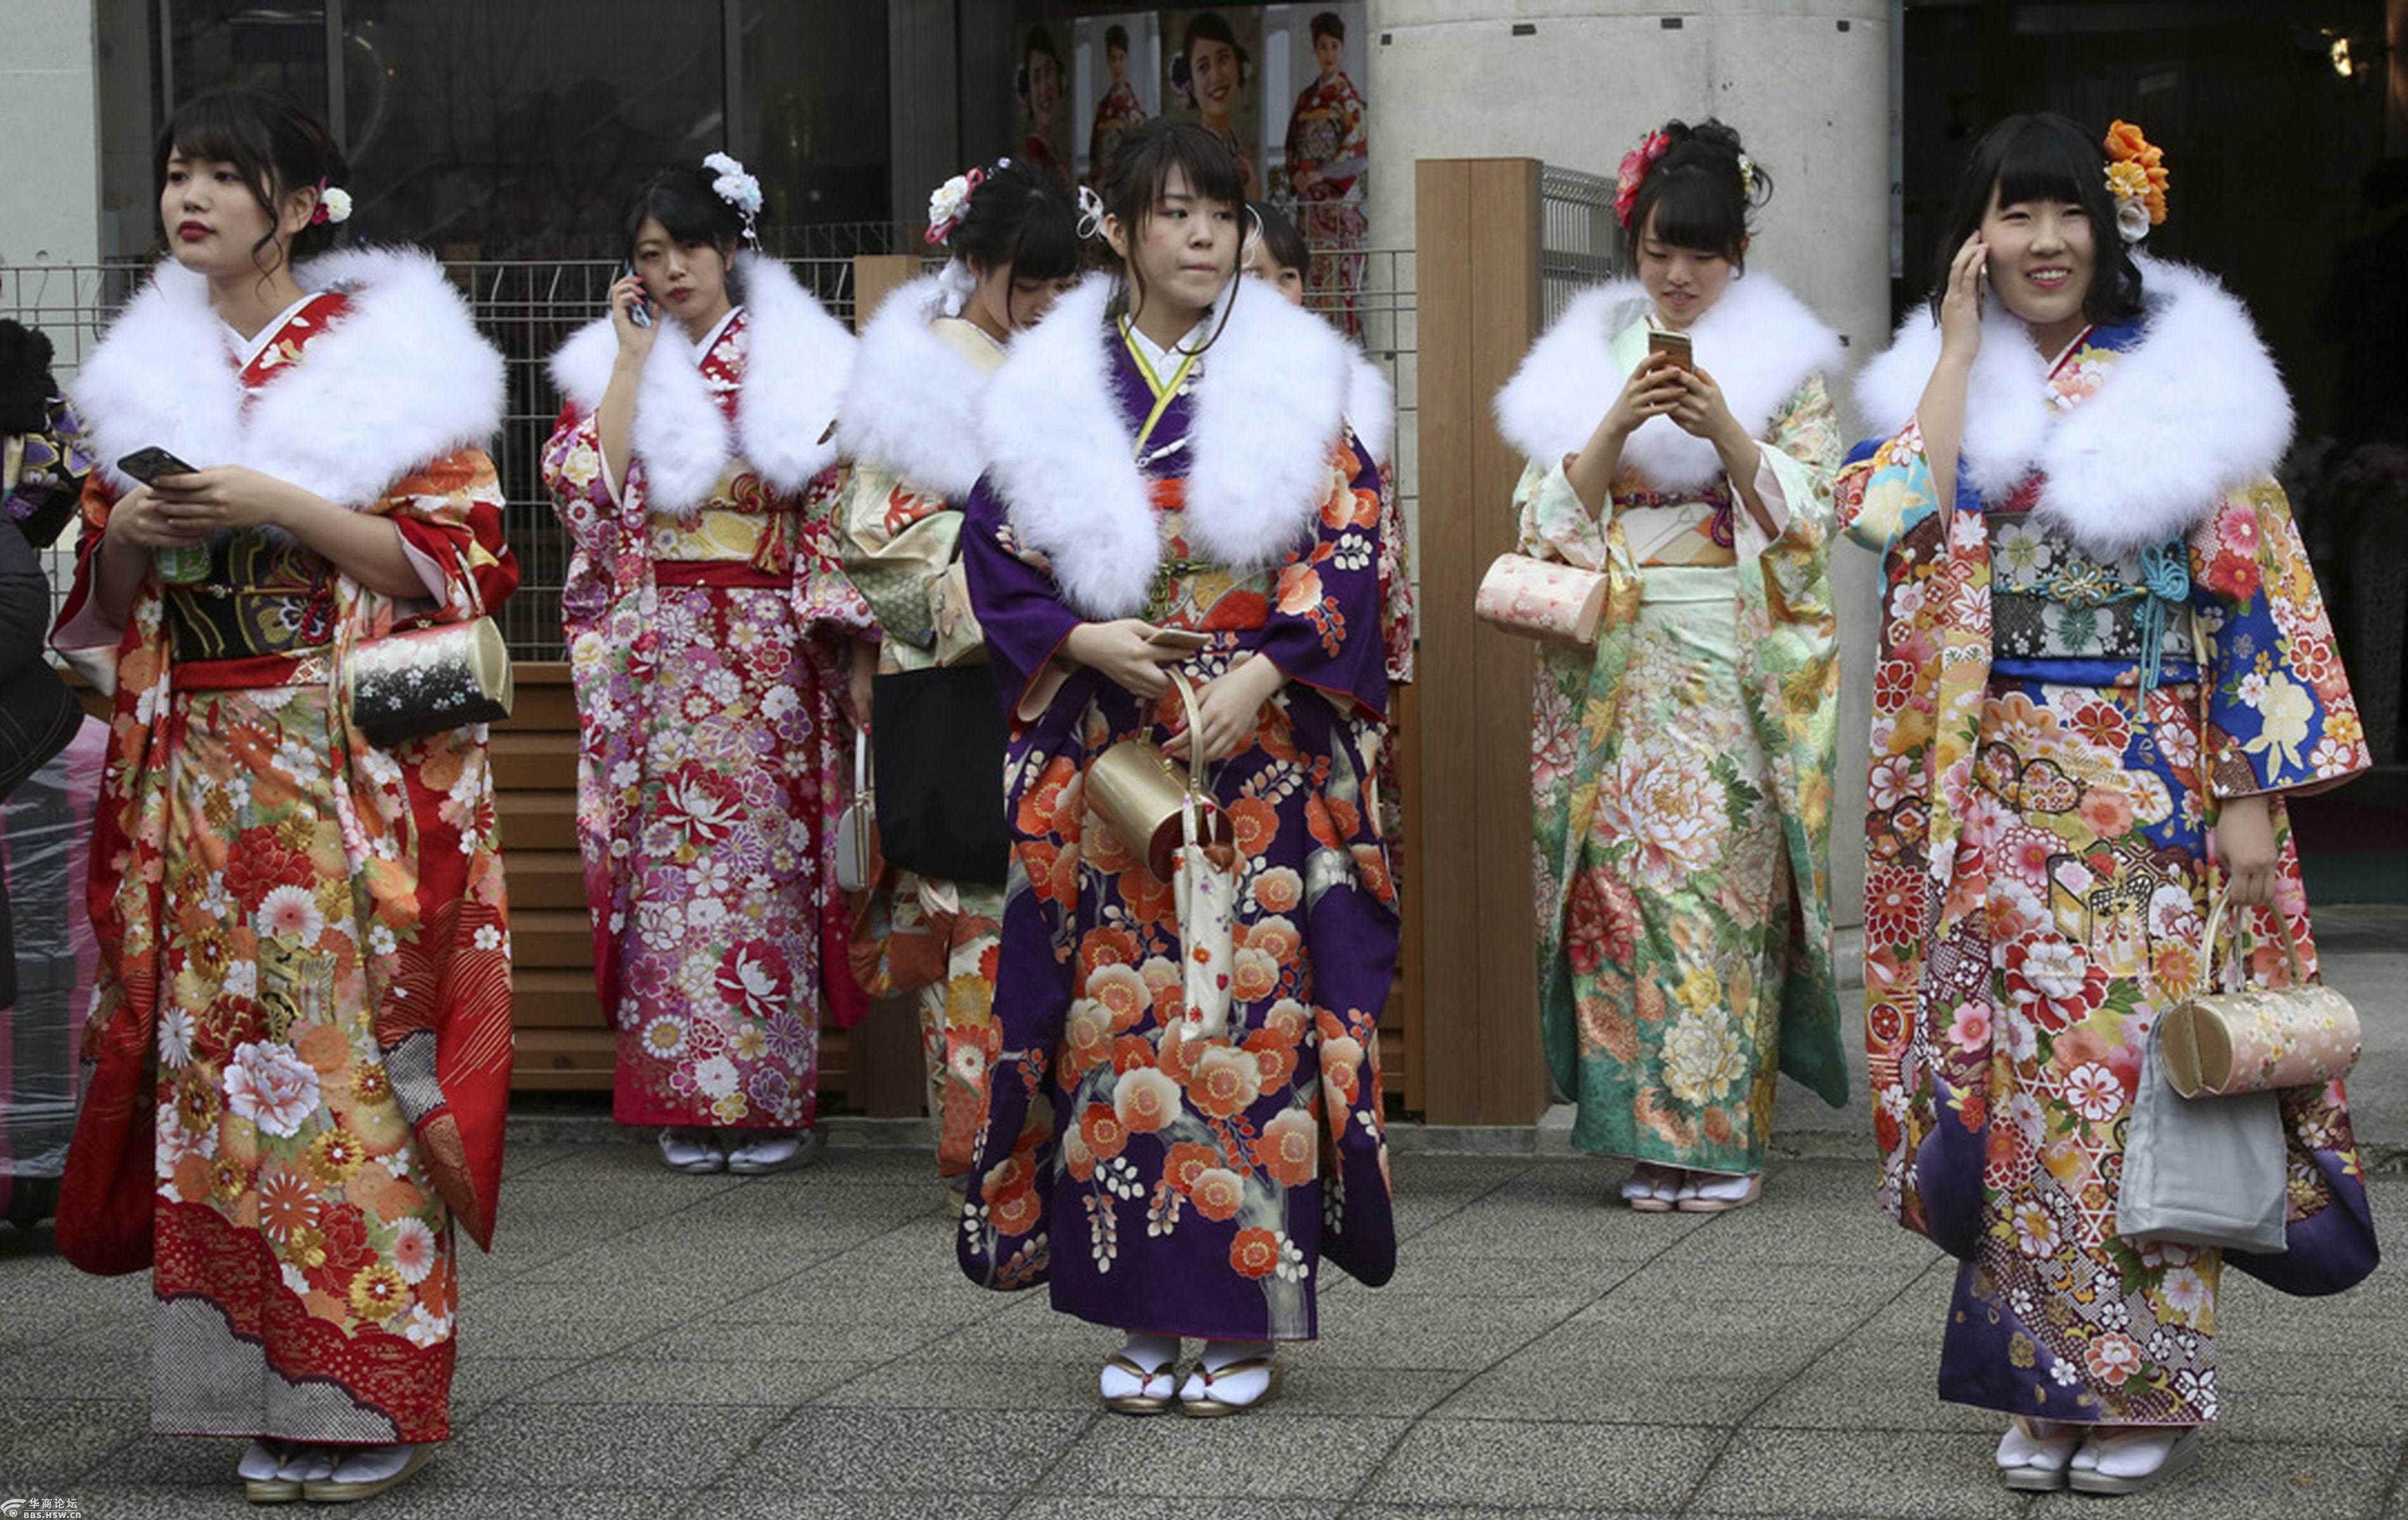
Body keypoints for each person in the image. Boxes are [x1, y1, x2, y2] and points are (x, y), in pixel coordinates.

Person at [1839, 112, 2378, 1496]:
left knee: (2130, 1080)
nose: (2044, 242)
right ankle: (2040, 1371)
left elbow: (2248, 584)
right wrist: (1954, 353)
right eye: (2014, 215)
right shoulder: (1952, 376)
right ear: (1974, 232)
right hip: (1998, 782)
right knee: (2014, 1086)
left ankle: (2138, 1378)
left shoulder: (2178, 376)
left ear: (2109, 225)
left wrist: (2252, 785)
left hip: (2147, 781)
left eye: (2066, 212)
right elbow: (1891, 515)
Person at [51, 86, 517, 1503]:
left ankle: (361, 1389)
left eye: (222, 175)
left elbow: (459, 562)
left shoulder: (385, 357)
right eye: (176, 171)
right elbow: (100, 613)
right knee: (218, 1071)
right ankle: (247, 1381)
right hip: (197, 770)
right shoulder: (147, 358)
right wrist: (128, 533)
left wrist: (275, 499)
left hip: (338, 770)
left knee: (342, 1067)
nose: (189, 196)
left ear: (300, 204)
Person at [957, 118, 1397, 1417]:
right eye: (1175, 214)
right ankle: (1142, 1305)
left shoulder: (1294, 376)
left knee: (1242, 1023)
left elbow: (1351, 544)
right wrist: (1089, 638)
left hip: (1253, 763)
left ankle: (1244, 1305)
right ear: (1125, 231)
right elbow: (995, 549)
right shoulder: (1057, 381)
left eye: (1221, 213)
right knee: (1113, 1028)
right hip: (1115, 758)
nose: (1203, 236)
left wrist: (1263, 672)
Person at [1494, 120, 1848, 1214]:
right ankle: (1645, 1138)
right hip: (1620, 658)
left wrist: (1730, 432)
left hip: (1731, 658)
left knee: (1721, 896)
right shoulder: (1586, 354)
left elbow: (1814, 517)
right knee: (1620, 897)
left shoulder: (1784, 364)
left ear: (1736, 253)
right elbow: (1542, 518)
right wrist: (1614, 424)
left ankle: (1723, 1137)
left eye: (1702, 253)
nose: (1680, 274)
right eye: (1659, 251)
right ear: (1633, 247)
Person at [543, 155, 874, 1176]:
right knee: (671, 872)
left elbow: (836, 504)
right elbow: (584, 497)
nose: (674, 267)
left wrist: (843, 639)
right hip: (658, 652)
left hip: (768, 650)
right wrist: (632, 365)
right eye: (652, 253)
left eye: (689, 245)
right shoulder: (618, 364)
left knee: (762, 869)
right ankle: (682, 1095)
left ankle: (770, 1098)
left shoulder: (794, 359)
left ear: (731, 247)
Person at [836, 159, 1080, 1180]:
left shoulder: (1048, 359)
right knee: (973, 909)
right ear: (975, 263)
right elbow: (876, 531)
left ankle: (1053, 1148)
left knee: (1050, 905)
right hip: (973, 673)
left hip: (1057, 671)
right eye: (1029, 282)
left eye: (1062, 283)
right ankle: (989, 1153)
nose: (1048, 302)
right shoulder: (928, 372)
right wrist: (1026, 579)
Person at [1245, 201, 1414, 861]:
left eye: (1284, 275)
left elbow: (1383, 539)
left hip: (1334, 644)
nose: (1273, 293)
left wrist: (1389, 653)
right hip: (1241, 642)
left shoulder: (1349, 390)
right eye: (1252, 275)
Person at [1, 316, 99, 1231]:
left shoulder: (25, 386)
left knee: (47, 952)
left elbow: (61, 492)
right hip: (32, 728)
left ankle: (39, 1156)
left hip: (27, 730)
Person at [1281, 11, 1367, 334]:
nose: (1328, 54)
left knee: (1339, 279)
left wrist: (1323, 175)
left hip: (1337, 204)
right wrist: (1297, 176)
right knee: (1310, 275)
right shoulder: (1306, 98)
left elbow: (1357, 150)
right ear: (1315, 52)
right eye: (1323, 47)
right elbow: (1292, 145)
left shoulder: (1348, 98)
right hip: (1309, 206)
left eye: (1334, 47)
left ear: (1342, 50)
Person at [1173, 13, 1260, 201]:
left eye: (1223, 59)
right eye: (1203, 67)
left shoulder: (1233, 146)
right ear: (1191, 85)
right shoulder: (1193, 153)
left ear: (1238, 67)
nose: (1216, 76)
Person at [1088, 24, 1149, 191]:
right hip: (1103, 182)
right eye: (1113, 59)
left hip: (1125, 177)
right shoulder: (1103, 105)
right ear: (1108, 62)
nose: (1117, 65)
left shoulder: (1131, 103)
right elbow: (1095, 148)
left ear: (1127, 60)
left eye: (1121, 58)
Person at [1018, 27, 1073, 194]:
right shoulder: (1034, 151)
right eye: (1036, 78)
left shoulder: (1051, 147)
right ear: (1028, 93)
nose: (1044, 88)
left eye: (1049, 71)